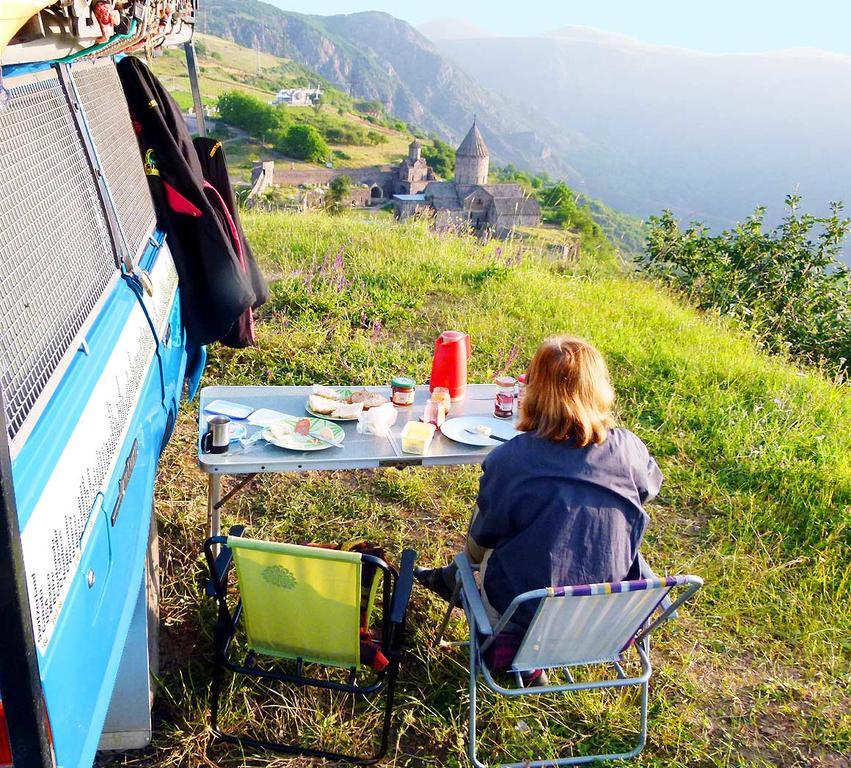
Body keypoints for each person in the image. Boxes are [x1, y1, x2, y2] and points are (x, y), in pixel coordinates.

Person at [415, 335, 662, 676]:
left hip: (524, 616)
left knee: (483, 534)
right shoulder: (630, 450)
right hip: (608, 618)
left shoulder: (513, 460)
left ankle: (456, 581)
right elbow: (647, 493)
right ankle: (453, 580)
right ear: (600, 389)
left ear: (532, 391)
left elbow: (486, 536)